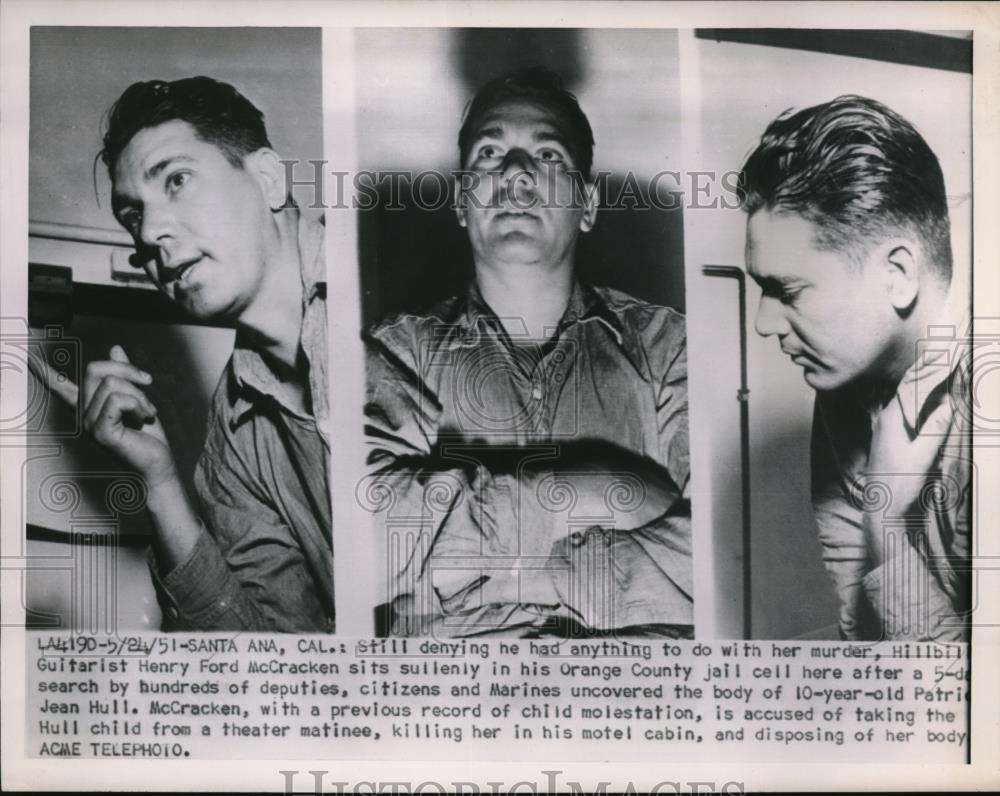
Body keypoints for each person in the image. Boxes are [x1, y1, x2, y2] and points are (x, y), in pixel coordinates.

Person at [365, 67, 691, 637]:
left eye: (547, 156)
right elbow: (371, 542)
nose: (515, 173)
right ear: (462, 204)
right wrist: (601, 491)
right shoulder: (397, 352)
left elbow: (715, 552)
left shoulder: (668, 348)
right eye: (490, 153)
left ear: (587, 207)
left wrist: (523, 578)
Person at [46, 77, 333, 632]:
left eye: (177, 180)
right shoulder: (233, 434)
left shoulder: (400, 289)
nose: (150, 233)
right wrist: (160, 485)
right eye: (133, 217)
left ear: (270, 180)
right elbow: (271, 668)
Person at [739, 95, 970, 641]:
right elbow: (861, 634)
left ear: (897, 273)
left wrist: (883, 523)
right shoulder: (844, 372)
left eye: (786, 290)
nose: (763, 324)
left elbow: (974, 708)